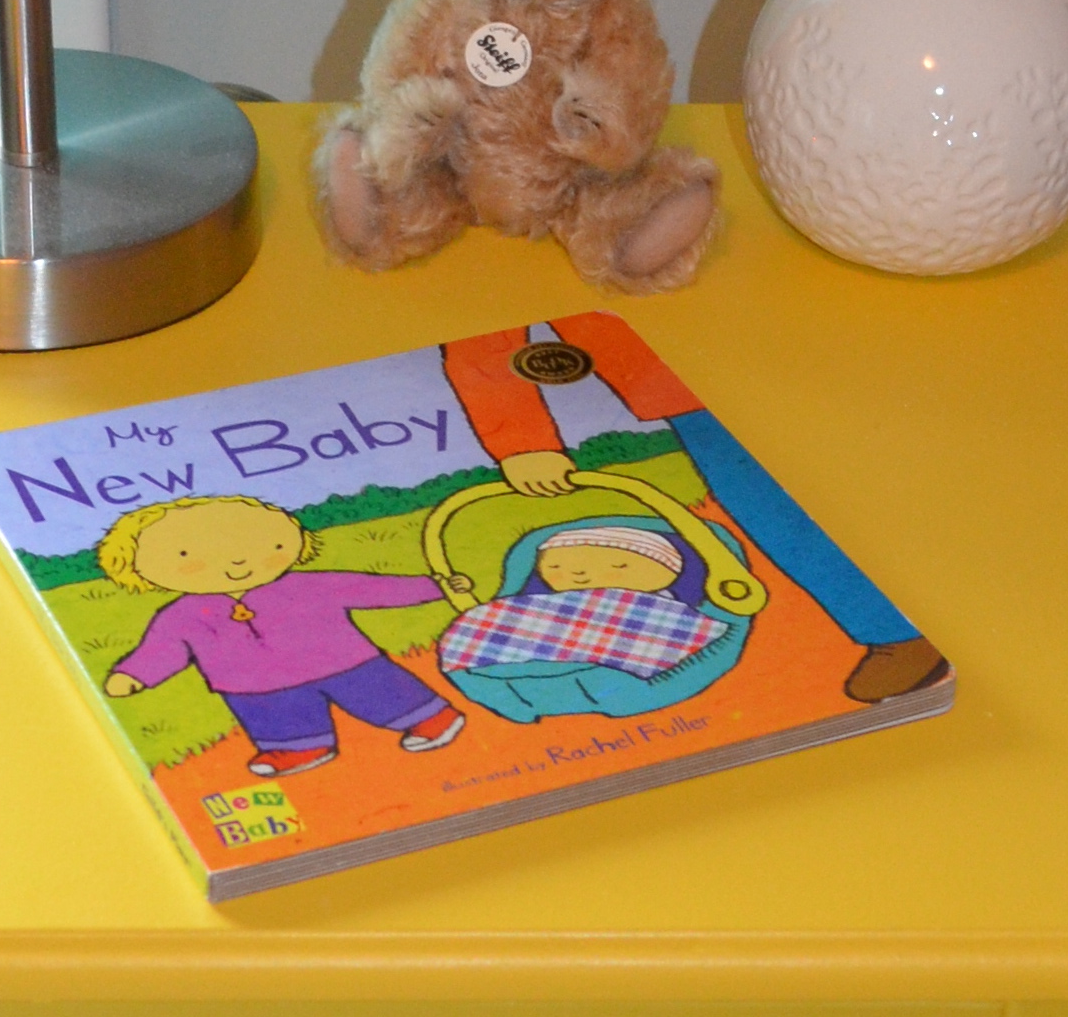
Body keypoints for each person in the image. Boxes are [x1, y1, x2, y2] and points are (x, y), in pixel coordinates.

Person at [442, 317, 945, 702]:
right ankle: (893, 632)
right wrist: (522, 440)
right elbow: (481, 340)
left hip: (797, 340)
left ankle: (898, 629)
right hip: (680, 382)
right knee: (776, 509)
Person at [98, 494, 465, 781]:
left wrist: (434, 587)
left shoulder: (308, 585)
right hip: (253, 685)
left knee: (380, 692)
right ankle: (297, 748)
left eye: (256, 541)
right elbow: (162, 648)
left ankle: (430, 718)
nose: (237, 560)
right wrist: (134, 674)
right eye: (185, 554)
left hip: (344, 661)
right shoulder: (181, 615)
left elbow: (370, 589)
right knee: (278, 718)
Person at [434, 515, 744, 725]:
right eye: (556, 566)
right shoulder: (541, 603)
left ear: (671, 571)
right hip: (531, 650)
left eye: (619, 564)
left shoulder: (662, 606)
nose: (579, 574)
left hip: (628, 655)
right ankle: (502, 683)